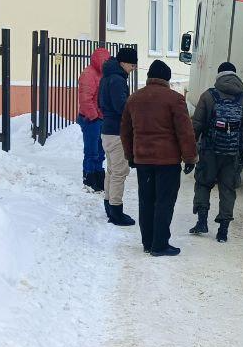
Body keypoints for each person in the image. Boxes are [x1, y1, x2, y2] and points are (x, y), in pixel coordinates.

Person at [120, 60, 197, 258]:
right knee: (164, 201)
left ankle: (147, 242)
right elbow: (185, 132)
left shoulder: (134, 99)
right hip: (168, 162)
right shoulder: (175, 99)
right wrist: (189, 158)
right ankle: (160, 244)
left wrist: (130, 156)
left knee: (146, 200)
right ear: (167, 78)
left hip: (143, 161)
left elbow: (126, 132)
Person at [190, 62, 243, 243]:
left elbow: (197, 125)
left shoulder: (208, 96)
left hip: (209, 150)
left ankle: (202, 222)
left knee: (203, 183)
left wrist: (192, 148)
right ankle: (223, 231)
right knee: (228, 189)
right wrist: (239, 148)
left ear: (218, 76)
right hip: (232, 153)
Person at [99, 47, 138, 227]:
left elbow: (102, 103)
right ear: (122, 62)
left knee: (112, 170)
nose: (134, 67)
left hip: (107, 129)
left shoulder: (108, 76)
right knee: (119, 172)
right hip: (116, 132)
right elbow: (121, 106)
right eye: (132, 64)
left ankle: (109, 204)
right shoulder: (117, 80)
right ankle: (116, 210)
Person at [77, 48, 110, 192]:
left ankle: (98, 177)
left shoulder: (103, 74)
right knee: (91, 151)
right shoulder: (88, 74)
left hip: (100, 117)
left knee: (100, 151)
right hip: (91, 119)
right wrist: (94, 116)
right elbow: (85, 99)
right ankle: (89, 178)